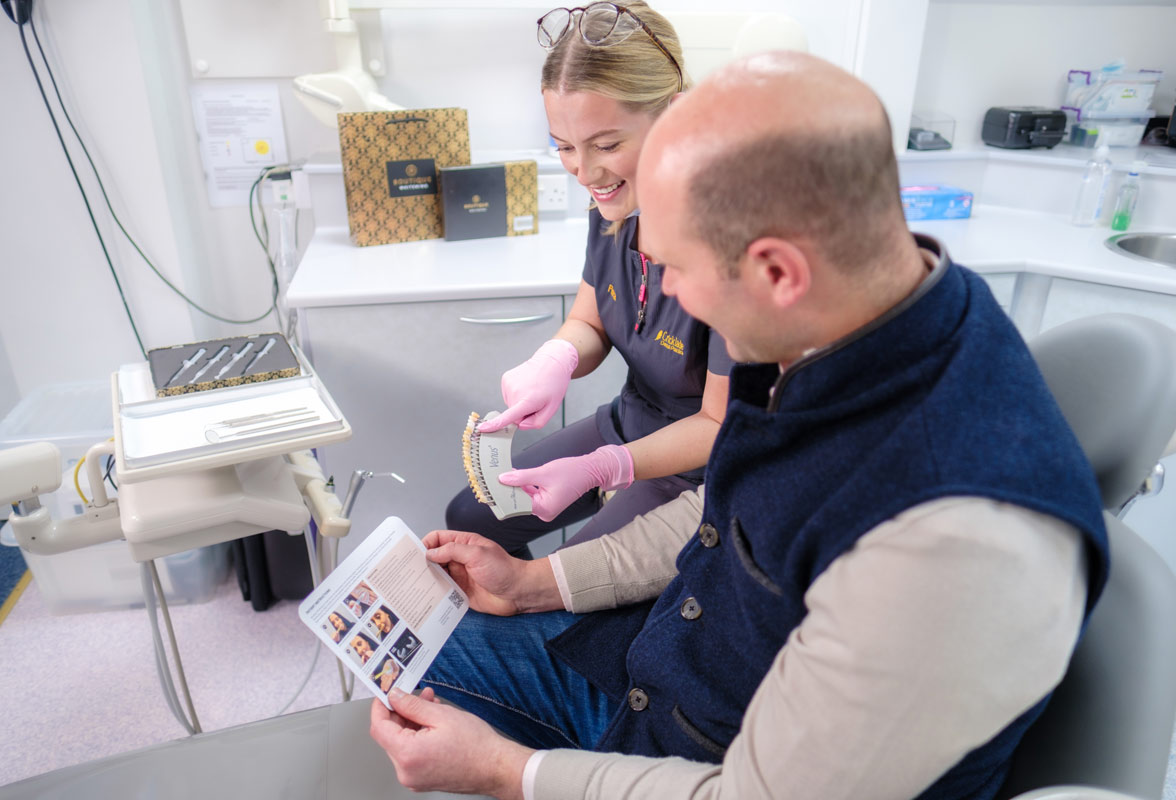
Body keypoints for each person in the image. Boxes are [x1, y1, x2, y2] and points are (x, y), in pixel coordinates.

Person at [370, 52, 1110, 800]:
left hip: (705, 761)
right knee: (409, 656)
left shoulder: (948, 547)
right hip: (666, 673)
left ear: (778, 273)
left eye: (676, 273)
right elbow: (725, 508)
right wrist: (533, 583)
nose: (668, 301)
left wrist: (506, 773)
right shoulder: (876, 311)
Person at [444, 1, 732, 558]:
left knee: (563, 577)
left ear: (675, 116)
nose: (585, 171)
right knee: (473, 517)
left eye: (606, 145)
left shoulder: (729, 237)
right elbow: (590, 319)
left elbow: (720, 422)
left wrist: (606, 468)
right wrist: (556, 360)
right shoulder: (614, 212)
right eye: (564, 147)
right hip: (630, 422)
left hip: (696, 466)